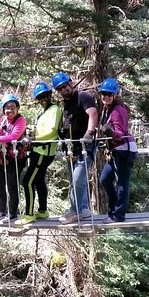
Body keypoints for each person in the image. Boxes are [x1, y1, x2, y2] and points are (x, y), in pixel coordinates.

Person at [52, 72, 98, 223]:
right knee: (76, 180)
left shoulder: (83, 96)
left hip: (85, 146)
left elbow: (92, 113)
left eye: (65, 86)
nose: (63, 90)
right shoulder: (67, 103)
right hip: (72, 148)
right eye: (60, 89)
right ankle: (83, 209)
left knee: (78, 178)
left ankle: (75, 211)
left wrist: (89, 133)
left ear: (71, 84)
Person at [17, 82, 62, 226]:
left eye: (44, 96)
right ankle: (43, 211)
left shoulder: (54, 109)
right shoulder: (45, 112)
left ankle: (29, 214)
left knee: (28, 181)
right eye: (39, 98)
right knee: (39, 180)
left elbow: (53, 131)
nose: (42, 100)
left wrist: (34, 139)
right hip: (38, 150)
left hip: (44, 151)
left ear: (50, 95)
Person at [97, 77, 138, 223]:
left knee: (122, 183)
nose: (106, 97)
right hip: (115, 150)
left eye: (109, 94)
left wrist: (110, 133)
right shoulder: (108, 110)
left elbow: (120, 133)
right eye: (104, 94)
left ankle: (118, 215)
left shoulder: (118, 110)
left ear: (115, 95)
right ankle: (114, 208)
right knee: (105, 179)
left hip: (125, 150)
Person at [0, 94, 28, 223]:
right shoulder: (3, 119)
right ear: (3, 109)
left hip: (15, 157)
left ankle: (13, 213)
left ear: (17, 108)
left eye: (13, 107)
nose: (10, 110)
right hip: (1, 156)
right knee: (0, 184)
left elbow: (14, 136)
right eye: (7, 108)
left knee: (12, 185)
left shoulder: (21, 120)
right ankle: (1, 210)